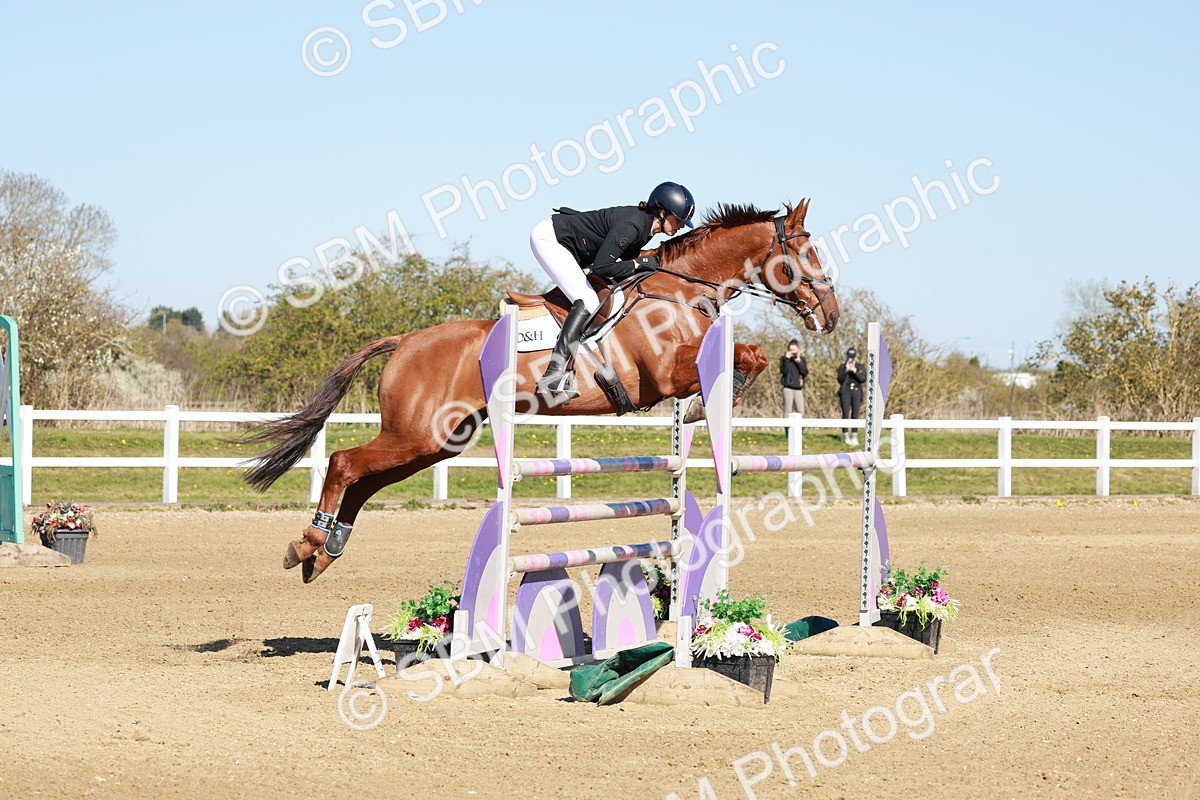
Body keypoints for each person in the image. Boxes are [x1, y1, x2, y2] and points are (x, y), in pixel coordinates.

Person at [529, 181, 696, 400]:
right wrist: (641, 264)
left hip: (570, 246)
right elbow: (603, 267)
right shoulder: (634, 225)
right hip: (550, 239)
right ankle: (553, 374)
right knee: (587, 299)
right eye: (678, 220)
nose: (681, 226)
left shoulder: (647, 229)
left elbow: (623, 261)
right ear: (663, 212)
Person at [837, 347, 867, 446]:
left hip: (856, 391)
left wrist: (855, 371)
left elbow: (863, 379)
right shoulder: (842, 367)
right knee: (845, 414)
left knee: (855, 414)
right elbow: (840, 379)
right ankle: (846, 436)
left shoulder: (860, 367)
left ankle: (854, 436)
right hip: (845, 391)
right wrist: (846, 370)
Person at [779, 339, 808, 418]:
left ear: (798, 349)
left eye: (794, 350)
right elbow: (784, 371)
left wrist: (799, 363)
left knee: (801, 410)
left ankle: (801, 430)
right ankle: (788, 430)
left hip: (798, 388)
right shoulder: (784, 359)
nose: (792, 352)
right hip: (787, 388)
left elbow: (804, 372)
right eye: (791, 350)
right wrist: (787, 359)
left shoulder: (802, 359)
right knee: (787, 410)